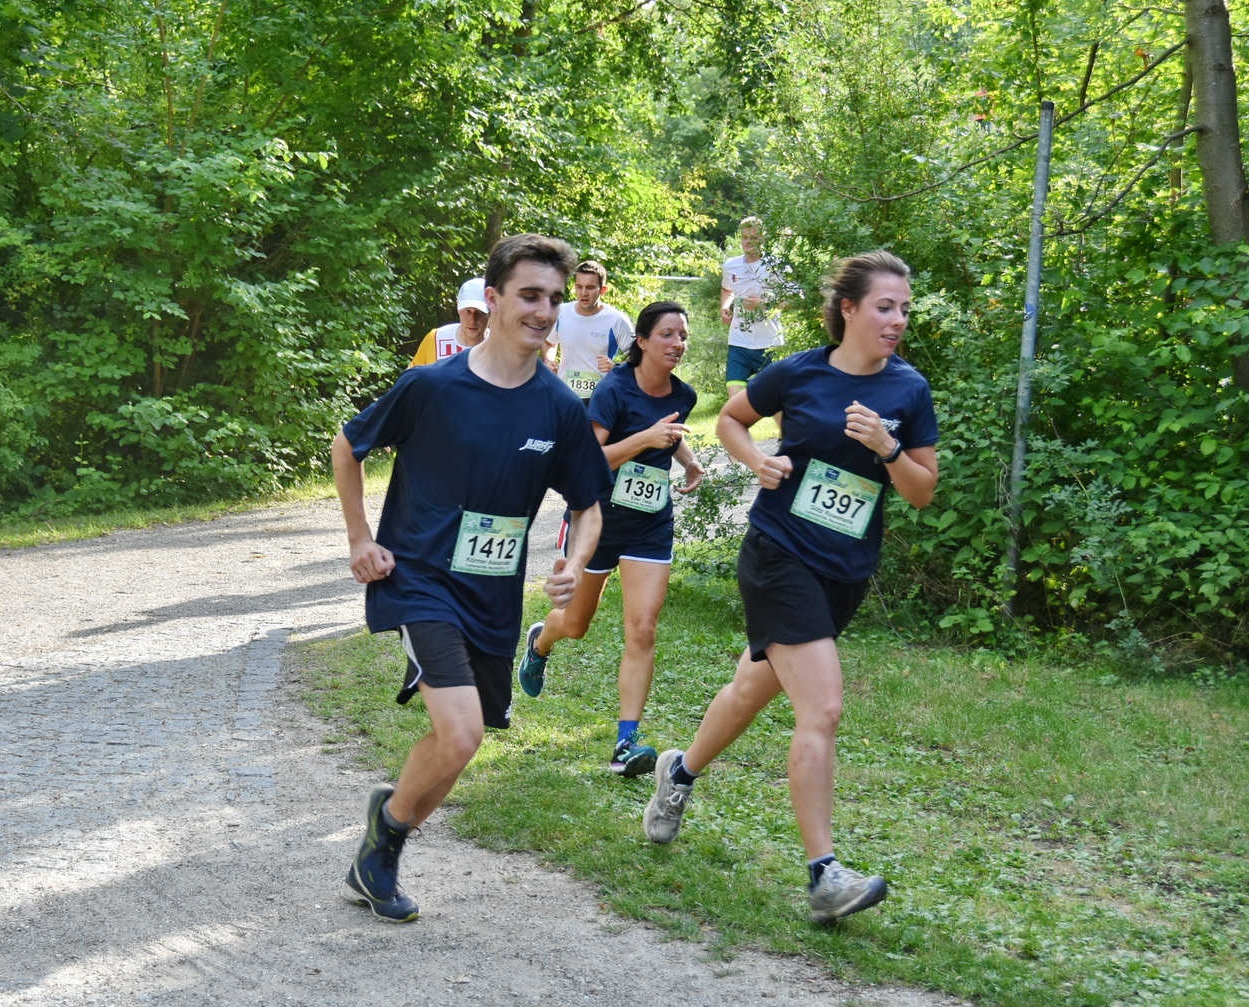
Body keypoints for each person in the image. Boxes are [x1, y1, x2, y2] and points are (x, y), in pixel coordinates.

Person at [644, 250, 939, 923]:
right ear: (850, 310)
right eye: (886, 307)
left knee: (752, 688)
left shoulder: (907, 390)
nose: (897, 320)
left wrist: (888, 451)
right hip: (779, 553)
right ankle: (824, 874)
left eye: (904, 309)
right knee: (824, 707)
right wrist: (756, 460)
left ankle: (679, 772)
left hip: (845, 571)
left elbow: (922, 491)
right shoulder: (801, 371)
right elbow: (730, 418)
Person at [332, 234, 612, 923]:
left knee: (465, 743)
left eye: (553, 298)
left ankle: (383, 838)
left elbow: (589, 506)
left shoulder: (559, 408)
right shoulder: (433, 385)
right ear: (492, 301)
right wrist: (361, 538)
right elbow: (348, 444)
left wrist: (574, 567)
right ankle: (385, 844)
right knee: (458, 735)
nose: (544, 311)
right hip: (420, 580)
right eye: (529, 295)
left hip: (492, 594)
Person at [517, 301, 705, 777]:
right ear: (640, 341)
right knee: (576, 624)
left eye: (682, 336)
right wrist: (646, 439)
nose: (677, 344)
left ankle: (626, 743)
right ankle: (541, 641)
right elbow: (590, 460)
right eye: (666, 334)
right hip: (597, 518)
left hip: (649, 523)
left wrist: (687, 459)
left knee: (643, 628)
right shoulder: (613, 389)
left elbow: (669, 428)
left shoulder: (683, 393)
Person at [720, 217, 798, 391]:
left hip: (768, 343)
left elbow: (794, 301)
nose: (748, 242)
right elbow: (727, 290)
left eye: (753, 238)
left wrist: (764, 303)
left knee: (776, 401)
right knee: (735, 399)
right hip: (738, 342)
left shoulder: (777, 266)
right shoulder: (730, 266)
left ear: (763, 239)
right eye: (745, 237)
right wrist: (725, 307)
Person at [546, 261, 635, 401]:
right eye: (579, 287)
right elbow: (550, 343)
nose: (583, 293)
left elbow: (638, 359)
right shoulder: (560, 313)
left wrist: (616, 367)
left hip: (601, 398)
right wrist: (548, 360)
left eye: (590, 287)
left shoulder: (617, 320)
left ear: (602, 290)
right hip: (564, 395)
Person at [410, 277, 490, 367]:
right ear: (458, 307)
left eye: (480, 312)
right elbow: (409, 379)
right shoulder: (436, 339)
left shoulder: (501, 346)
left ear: (492, 311)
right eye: (468, 311)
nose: (472, 319)